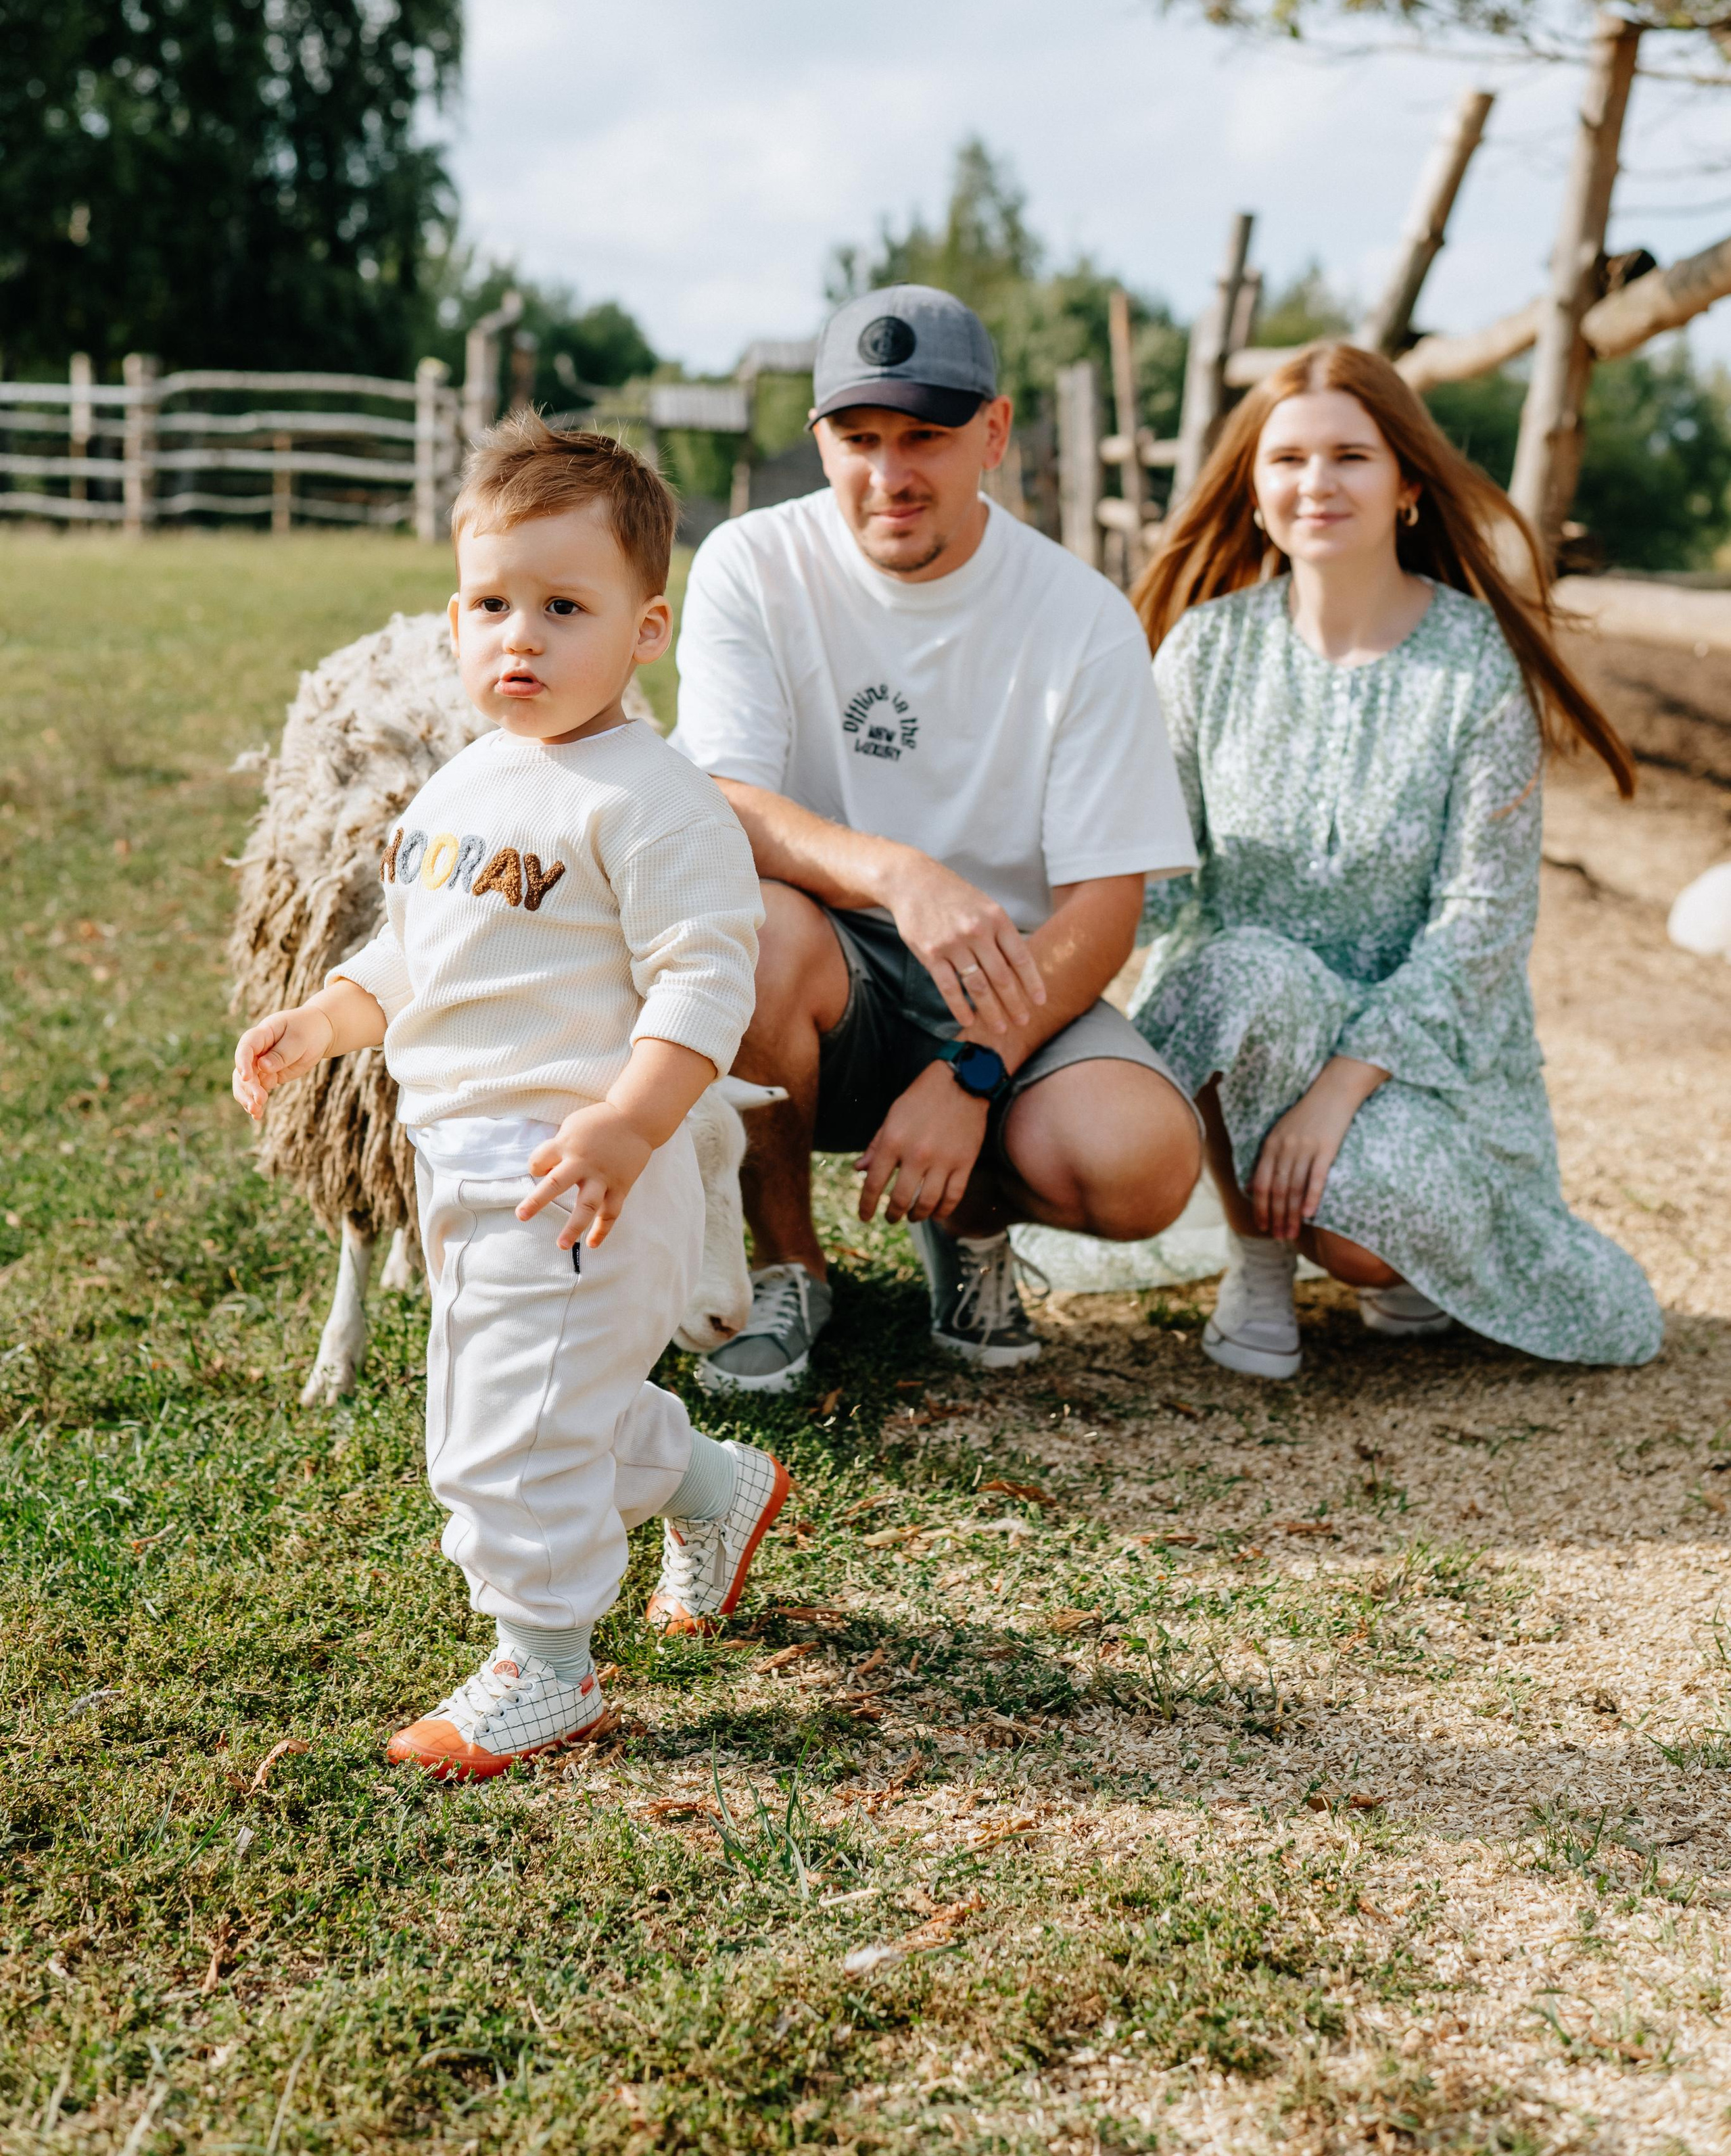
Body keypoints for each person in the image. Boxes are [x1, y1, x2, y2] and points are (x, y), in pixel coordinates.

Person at [232, 419, 787, 1780]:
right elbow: (417, 951)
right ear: (453, 615)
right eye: (491, 605)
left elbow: (704, 984)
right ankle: (719, 1491)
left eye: (563, 607)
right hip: (458, 1161)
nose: (519, 639)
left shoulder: (649, 802)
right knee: (546, 1404)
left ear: (645, 628)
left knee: (504, 1437)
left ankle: (544, 1666)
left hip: (584, 1167)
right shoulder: (470, 782)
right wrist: (329, 1014)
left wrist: (627, 1122)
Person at [670, 283, 1203, 1392]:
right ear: (819, 439)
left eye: (927, 436)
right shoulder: (750, 564)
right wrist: (897, 873)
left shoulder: (1084, 616)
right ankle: (791, 1269)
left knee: (1145, 1160)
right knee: (752, 925)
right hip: (830, 961)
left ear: (995, 434)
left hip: (1009, 978)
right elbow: (723, 796)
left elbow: (1108, 905)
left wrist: (974, 1069)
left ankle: (963, 1221)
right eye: (858, 438)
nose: (890, 473)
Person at [1129, 341, 1663, 1380]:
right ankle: (1258, 1260)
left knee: (1366, 1237)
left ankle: (1381, 1248)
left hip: (1417, 1052)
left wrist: (1337, 1091)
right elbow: (1150, 881)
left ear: (1409, 482)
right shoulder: (1204, 650)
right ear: (1253, 485)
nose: (1315, 484)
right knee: (1241, 966)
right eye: (1286, 459)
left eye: (1350, 456)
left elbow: (1481, 925)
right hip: (1242, 1018)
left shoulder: (1475, 668)